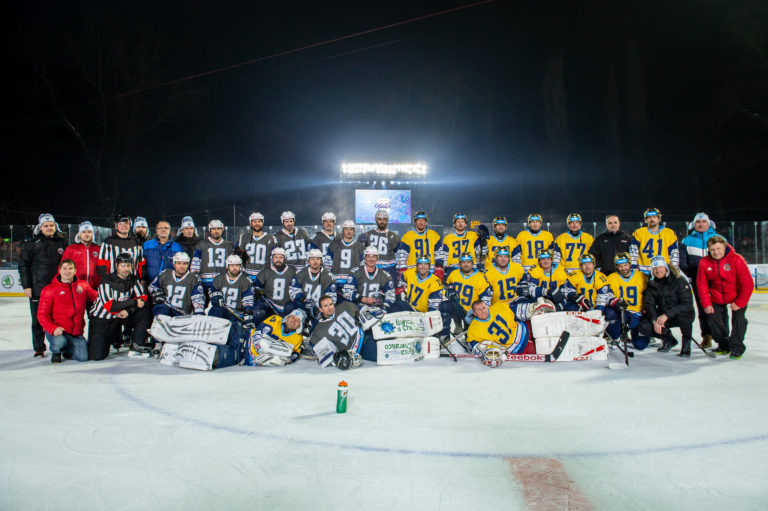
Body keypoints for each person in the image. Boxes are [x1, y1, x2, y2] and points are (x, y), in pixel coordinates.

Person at [19, 213, 68, 357]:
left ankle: (62, 346)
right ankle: (39, 348)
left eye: (51, 225)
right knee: (37, 320)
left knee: (60, 318)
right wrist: (27, 286)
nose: (49, 228)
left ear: (55, 227)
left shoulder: (62, 243)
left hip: (59, 289)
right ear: (40, 227)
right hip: (38, 289)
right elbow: (23, 265)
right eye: (45, 226)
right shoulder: (31, 244)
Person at [696, 235, 754, 359]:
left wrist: (739, 302)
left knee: (739, 319)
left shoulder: (736, 259)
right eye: (712, 249)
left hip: (737, 295)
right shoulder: (704, 262)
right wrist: (706, 304)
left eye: (718, 248)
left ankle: (737, 347)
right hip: (717, 296)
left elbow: (748, 283)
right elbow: (702, 284)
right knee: (712, 318)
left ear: (725, 247)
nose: (716, 252)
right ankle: (724, 344)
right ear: (709, 250)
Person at [88, 252, 152, 360]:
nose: (126, 269)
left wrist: (129, 311)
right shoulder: (107, 280)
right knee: (97, 355)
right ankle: (110, 338)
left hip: (122, 315)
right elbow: (110, 306)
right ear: (116, 266)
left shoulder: (133, 279)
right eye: (122, 265)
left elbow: (142, 299)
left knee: (144, 313)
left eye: (128, 266)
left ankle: (137, 344)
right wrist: (134, 302)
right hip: (103, 317)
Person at [37, 259, 97, 363]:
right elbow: (42, 315)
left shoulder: (83, 286)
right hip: (58, 330)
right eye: (64, 268)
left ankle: (67, 349)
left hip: (75, 332)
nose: (67, 271)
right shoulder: (49, 289)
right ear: (59, 270)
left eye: (70, 268)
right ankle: (56, 351)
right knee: (59, 341)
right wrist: (53, 328)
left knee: (83, 358)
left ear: (75, 271)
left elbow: (96, 297)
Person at [639, 256, 694, 355]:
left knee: (686, 317)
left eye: (660, 267)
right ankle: (669, 340)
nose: (658, 270)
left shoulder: (679, 280)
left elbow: (687, 304)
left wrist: (667, 315)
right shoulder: (651, 283)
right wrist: (654, 321)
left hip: (679, 313)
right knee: (644, 325)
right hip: (663, 315)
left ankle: (686, 344)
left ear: (666, 268)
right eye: (655, 268)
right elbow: (649, 304)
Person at [208, 254, 255, 368]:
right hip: (223, 311)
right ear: (227, 266)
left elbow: (248, 301)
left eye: (237, 265)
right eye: (232, 265)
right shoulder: (219, 278)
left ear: (241, 266)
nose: (234, 268)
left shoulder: (245, 280)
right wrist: (216, 297)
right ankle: (211, 341)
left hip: (236, 314)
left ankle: (232, 354)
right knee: (215, 311)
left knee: (237, 333)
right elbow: (212, 291)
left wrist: (247, 314)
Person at [679, 212, 718, 348]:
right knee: (703, 308)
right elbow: (682, 263)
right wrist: (694, 275)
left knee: (719, 308)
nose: (701, 224)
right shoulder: (687, 240)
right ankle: (707, 336)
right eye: (698, 222)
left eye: (704, 222)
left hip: (716, 281)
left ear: (709, 223)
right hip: (697, 281)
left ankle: (722, 336)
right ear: (694, 225)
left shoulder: (718, 238)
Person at [438, 252, 492, 341]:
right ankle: (445, 334)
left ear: (472, 263)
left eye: (468, 262)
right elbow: (445, 289)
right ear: (459, 263)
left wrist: (476, 313)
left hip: (472, 313)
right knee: (444, 305)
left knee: (471, 337)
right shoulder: (454, 274)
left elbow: (485, 300)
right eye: (463, 262)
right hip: (457, 308)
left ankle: (468, 330)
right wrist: (449, 292)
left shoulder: (481, 277)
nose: (466, 264)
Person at [466, 299, 531, 367]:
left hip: (526, 331)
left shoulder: (497, 307)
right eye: (479, 310)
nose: (483, 311)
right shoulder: (473, 331)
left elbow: (517, 311)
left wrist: (531, 308)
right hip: (516, 350)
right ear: (474, 313)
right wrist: (488, 353)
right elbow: (475, 348)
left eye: (484, 308)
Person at [606, 252, 650, 349]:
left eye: (625, 265)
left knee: (640, 345)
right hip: (622, 312)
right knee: (609, 313)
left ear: (630, 264)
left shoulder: (641, 276)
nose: (623, 268)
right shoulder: (611, 278)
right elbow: (606, 295)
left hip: (638, 313)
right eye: (620, 266)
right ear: (616, 266)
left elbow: (649, 295)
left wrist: (647, 309)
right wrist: (614, 301)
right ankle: (616, 336)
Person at [308, 295, 365, 369]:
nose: (329, 308)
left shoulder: (345, 305)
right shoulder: (319, 331)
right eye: (325, 306)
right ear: (320, 309)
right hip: (356, 353)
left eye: (331, 304)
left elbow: (364, 312)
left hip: (366, 335)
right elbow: (322, 353)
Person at [149, 251, 205, 317]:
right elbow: (153, 287)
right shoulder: (165, 274)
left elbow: (198, 299)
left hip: (183, 314)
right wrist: (158, 296)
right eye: (179, 263)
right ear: (174, 264)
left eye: (185, 264)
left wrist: (199, 313)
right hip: (166, 310)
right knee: (160, 308)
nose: (182, 266)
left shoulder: (193, 278)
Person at [395, 211, 445, 282]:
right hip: (413, 270)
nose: (421, 222)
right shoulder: (408, 236)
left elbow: (439, 253)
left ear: (426, 222)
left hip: (430, 271)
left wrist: (439, 267)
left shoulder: (434, 235)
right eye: (418, 220)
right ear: (415, 222)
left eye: (423, 220)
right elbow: (402, 255)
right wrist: (402, 268)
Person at [191, 219, 233, 303]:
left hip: (222, 282)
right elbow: (195, 264)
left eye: (218, 228)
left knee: (221, 306)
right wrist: (195, 279)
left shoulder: (229, 245)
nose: (216, 231)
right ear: (210, 230)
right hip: (205, 282)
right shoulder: (201, 244)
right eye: (213, 229)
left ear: (222, 230)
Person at [342, 247, 396, 312]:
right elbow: (347, 292)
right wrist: (364, 299)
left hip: (378, 309)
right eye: (368, 256)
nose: (371, 259)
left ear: (377, 258)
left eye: (374, 256)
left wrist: (384, 308)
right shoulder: (355, 272)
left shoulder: (385, 275)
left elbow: (390, 295)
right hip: (358, 308)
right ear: (364, 258)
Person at [289, 248, 337, 322]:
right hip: (303, 306)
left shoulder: (328, 276)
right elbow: (293, 290)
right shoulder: (301, 273)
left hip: (319, 310)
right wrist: (303, 300)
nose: (315, 261)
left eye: (317, 259)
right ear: (308, 261)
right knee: (289, 307)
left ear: (321, 261)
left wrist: (320, 309)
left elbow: (331, 297)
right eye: (312, 259)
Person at [252, 247, 298, 324]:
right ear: (272, 258)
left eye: (281, 257)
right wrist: (257, 293)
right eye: (276, 257)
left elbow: (298, 287)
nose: (278, 260)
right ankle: (258, 330)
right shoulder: (265, 271)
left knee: (292, 309)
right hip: (270, 304)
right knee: (258, 308)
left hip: (287, 304)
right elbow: (257, 287)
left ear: (285, 258)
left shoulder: (293, 271)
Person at [357, 209, 401, 288]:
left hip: (389, 269)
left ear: (387, 220)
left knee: (390, 292)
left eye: (384, 219)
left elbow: (398, 254)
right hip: (372, 269)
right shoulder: (368, 234)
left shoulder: (394, 237)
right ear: (376, 220)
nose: (382, 222)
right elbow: (359, 250)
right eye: (379, 219)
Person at [630, 208, 679, 274]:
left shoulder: (669, 233)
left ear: (659, 219)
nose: (652, 219)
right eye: (649, 217)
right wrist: (633, 268)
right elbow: (633, 253)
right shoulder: (639, 233)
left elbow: (674, 254)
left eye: (654, 217)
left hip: (662, 271)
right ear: (646, 219)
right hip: (643, 270)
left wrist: (673, 270)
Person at [61, 221, 101, 292]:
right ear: (79, 234)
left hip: (94, 288)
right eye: (84, 232)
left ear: (92, 234)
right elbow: (62, 268)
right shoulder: (71, 249)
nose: (86, 234)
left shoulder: (98, 249)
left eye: (89, 232)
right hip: (76, 288)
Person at [235, 212, 276, 282]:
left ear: (262, 223)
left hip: (263, 275)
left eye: (259, 221)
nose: (257, 223)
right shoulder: (243, 238)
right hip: (246, 275)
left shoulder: (271, 239)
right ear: (250, 223)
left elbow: (275, 258)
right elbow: (235, 257)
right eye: (254, 221)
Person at [324, 220, 365, 289]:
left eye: (351, 229)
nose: (349, 231)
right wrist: (329, 279)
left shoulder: (360, 246)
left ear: (354, 231)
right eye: (346, 229)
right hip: (336, 282)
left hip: (354, 282)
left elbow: (363, 266)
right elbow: (327, 264)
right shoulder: (334, 244)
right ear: (342, 231)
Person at [141, 220, 184, 284]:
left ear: (169, 230)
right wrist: (143, 279)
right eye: (160, 228)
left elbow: (182, 267)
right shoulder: (147, 245)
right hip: (149, 284)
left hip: (171, 285)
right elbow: (141, 265)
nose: (163, 230)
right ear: (156, 230)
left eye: (166, 228)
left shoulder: (177, 247)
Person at [442, 213, 481, 278]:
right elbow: (445, 256)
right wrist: (445, 268)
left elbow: (480, 252)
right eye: (458, 222)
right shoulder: (448, 238)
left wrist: (483, 241)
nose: (460, 224)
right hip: (453, 268)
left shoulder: (473, 235)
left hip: (470, 268)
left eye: (462, 221)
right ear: (454, 224)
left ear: (465, 224)